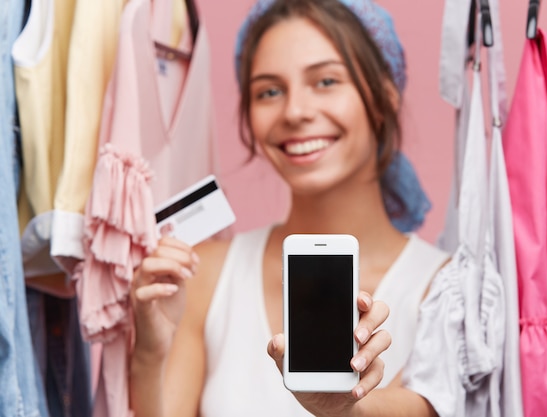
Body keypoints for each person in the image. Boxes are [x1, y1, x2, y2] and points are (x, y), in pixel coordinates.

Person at [129, 0, 449, 416]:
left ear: (385, 96)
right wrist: (150, 353)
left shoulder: (446, 290)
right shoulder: (203, 276)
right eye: (270, 91)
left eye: (326, 81)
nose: (295, 112)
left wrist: (344, 408)